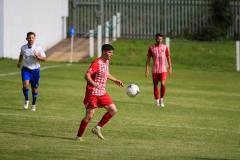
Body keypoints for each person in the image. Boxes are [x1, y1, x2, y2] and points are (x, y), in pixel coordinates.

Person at [76, 44, 123, 141]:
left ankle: (97, 128)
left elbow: (106, 73)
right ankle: (79, 136)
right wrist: (93, 83)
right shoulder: (97, 63)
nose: (111, 54)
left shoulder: (107, 61)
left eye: (112, 52)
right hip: (92, 92)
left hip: (102, 92)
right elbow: (86, 75)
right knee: (89, 116)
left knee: (113, 110)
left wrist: (115, 80)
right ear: (104, 52)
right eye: (109, 52)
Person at [17, 32, 46, 111]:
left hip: (35, 71)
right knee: (25, 84)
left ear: (34, 38)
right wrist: (19, 63)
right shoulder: (23, 47)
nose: (31, 39)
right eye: (29, 38)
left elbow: (44, 59)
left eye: (32, 38)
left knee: (34, 89)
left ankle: (33, 104)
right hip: (26, 69)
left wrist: (38, 56)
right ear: (26, 38)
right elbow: (21, 55)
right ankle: (26, 100)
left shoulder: (38, 48)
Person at [145, 33, 172, 107]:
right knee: (155, 85)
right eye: (157, 39)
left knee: (163, 84)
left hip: (163, 69)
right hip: (155, 70)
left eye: (160, 39)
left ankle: (162, 99)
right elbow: (148, 59)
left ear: (162, 39)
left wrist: (170, 67)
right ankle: (157, 101)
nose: (159, 40)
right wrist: (147, 68)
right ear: (155, 39)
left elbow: (168, 57)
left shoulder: (165, 47)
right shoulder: (151, 48)